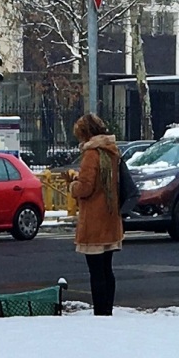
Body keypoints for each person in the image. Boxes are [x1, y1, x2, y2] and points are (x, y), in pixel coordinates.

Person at [69, 112, 125, 315]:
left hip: (94, 219)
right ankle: (107, 310)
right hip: (110, 216)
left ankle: (100, 312)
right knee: (107, 269)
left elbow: (86, 187)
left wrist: (73, 185)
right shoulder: (111, 152)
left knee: (96, 271)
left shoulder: (91, 154)